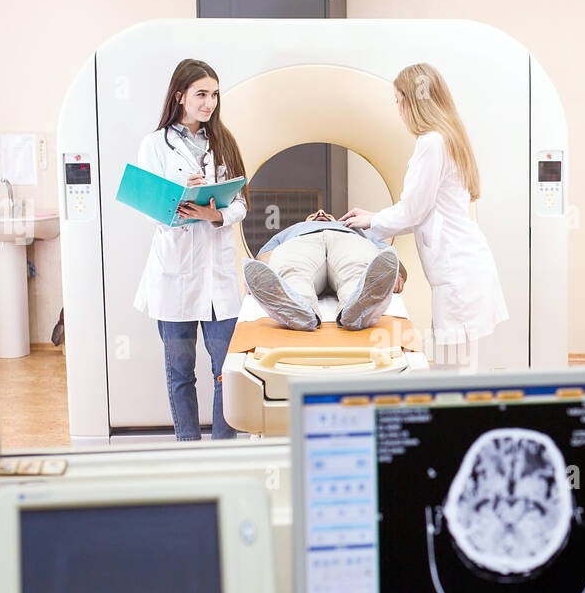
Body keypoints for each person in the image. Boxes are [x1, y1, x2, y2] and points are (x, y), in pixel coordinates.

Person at [342, 63, 508, 369]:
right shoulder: (450, 137)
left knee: (452, 370)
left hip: (457, 273)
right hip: (466, 267)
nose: (398, 110)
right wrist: (375, 217)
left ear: (411, 101)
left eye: (398, 101)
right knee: (459, 368)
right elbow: (422, 210)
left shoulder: (432, 142)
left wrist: (369, 222)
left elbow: (413, 211)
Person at [133, 58, 248, 440]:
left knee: (226, 371)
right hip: (175, 274)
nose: (209, 102)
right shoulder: (154, 145)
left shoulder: (225, 141)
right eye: (201, 94)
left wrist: (214, 214)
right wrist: (187, 196)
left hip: (217, 277)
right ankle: (189, 449)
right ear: (180, 96)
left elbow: (242, 204)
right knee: (180, 372)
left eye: (214, 94)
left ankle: (221, 450)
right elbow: (153, 210)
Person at [242, 208, 406, 331]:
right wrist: (256, 278)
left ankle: (357, 309)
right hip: (302, 242)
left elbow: (386, 258)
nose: (321, 211)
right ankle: (298, 309)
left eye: (327, 214)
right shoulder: (291, 231)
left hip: (347, 240)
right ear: (306, 221)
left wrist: (397, 273)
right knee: (292, 271)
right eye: (313, 215)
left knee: (358, 270)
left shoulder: (358, 230)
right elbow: (265, 256)